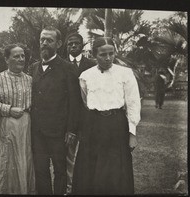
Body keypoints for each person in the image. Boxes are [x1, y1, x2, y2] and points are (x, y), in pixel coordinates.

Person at [72, 37, 141, 195]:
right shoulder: (85, 76)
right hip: (93, 125)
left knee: (115, 170)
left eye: (111, 53)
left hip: (116, 125)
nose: (108, 58)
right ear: (94, 54)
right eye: (103, 54)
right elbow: (85, 100)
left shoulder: (125, 73)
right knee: (90, 170)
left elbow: (133, 103)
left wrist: (132, 134)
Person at [0, 44, 35, 194]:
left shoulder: (30, 80)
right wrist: (8, 109)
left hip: (24, 130)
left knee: (22, 163)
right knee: (3, 163)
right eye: (16, 56)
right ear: (6, 59)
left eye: (23, 56)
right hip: (3, 129)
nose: (21, 59)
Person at [30, 26, 81, 195]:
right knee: (40, 170)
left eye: (49, 40)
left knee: (60, 171)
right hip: (37, 131)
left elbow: (75, 102)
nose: (44, 43)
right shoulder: (33, 68)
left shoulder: (68, 68)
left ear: (58, 44)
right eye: (42, 39)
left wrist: (71, 130)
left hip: (59, 133)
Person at [65, 32, 96, 194]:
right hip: (68, 118)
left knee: (87, 154)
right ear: (66, 46)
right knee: (69, 156)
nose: (73, 46)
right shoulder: (62, 64)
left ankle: (85, 187)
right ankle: (70, 188)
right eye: (70, 44)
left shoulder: (92, 64)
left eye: (76, 43)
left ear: (82, 45)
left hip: (87, 118)